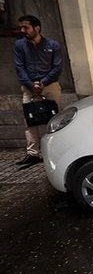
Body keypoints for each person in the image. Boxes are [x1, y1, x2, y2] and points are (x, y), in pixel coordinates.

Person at [14, 14, 64, 165]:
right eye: (21, 27)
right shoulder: (19, 45)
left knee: (56, 118)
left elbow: (57, 67)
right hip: (29, 87)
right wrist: (31, 85)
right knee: (30, 120)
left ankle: (58, 150)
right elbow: (19, 67)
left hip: (50, 85)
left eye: (26, 27)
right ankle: (33, 154)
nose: (23, 30)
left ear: (37, 28)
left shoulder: (53, 45)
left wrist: (43, 82)